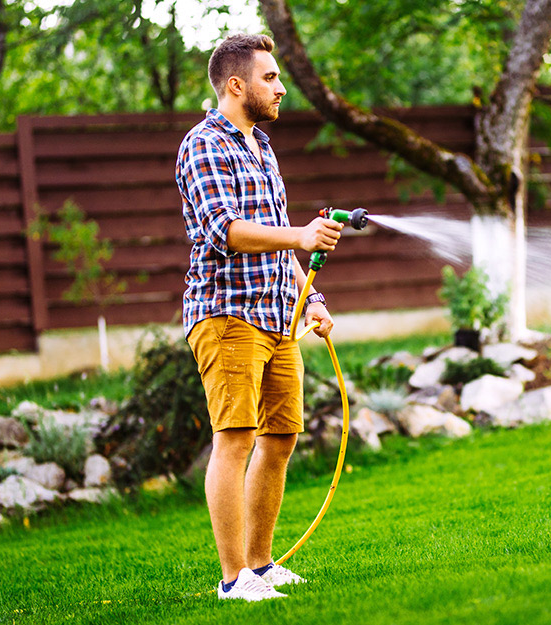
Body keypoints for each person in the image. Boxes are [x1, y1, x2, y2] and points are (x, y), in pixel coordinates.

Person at [175, 33, 344, 602]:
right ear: (236, 85)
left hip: (277, 316)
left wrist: (312, 299)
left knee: (280, 438)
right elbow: (225, 230)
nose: (280, 88)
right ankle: (232, 580)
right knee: (236, 437)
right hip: (226, 315)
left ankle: (261, 565)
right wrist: (300, 233)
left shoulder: (262, 147)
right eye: (270, 78)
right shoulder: (202, 145)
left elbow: (277, 243)